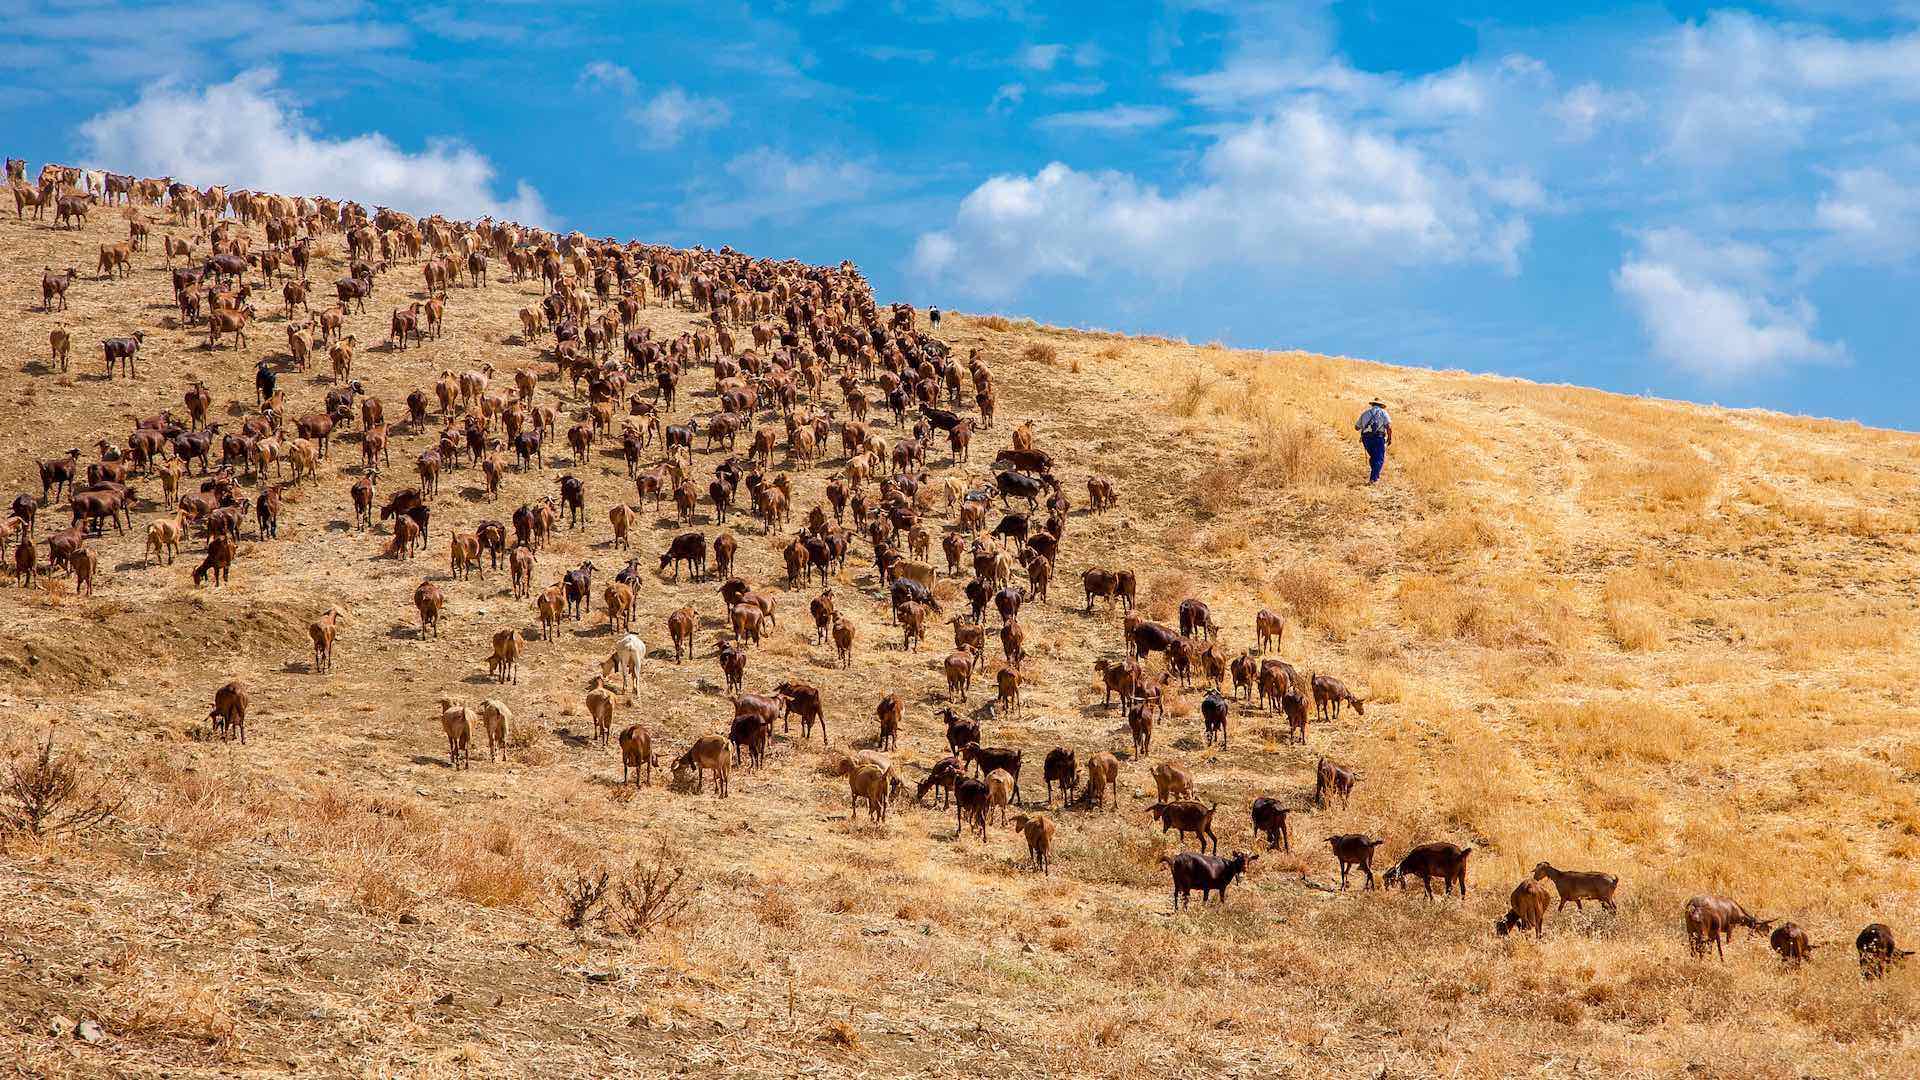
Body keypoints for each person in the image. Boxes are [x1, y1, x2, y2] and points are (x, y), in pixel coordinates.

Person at [1354, 399, 1391, 484]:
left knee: (1373, 457)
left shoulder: (1365, 413)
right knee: (1379, 458)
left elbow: (1356, 427)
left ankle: (1375, 474)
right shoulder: (1383, 413)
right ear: (1381, 405)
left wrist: (1365, 426)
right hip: (1378, 438)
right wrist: (1389, 438)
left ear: (1372, 405)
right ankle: (1373, 479)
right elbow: (1388, 427)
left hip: (1366, 439)